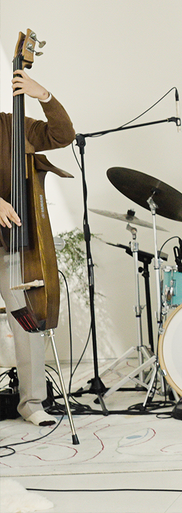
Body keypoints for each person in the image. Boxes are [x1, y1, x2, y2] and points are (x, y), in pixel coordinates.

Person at [0, 70, 76, 426]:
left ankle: (31, 402)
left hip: (11, 243)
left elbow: (63, 136)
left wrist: (43, 95)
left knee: (26, 319)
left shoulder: (11, 126)